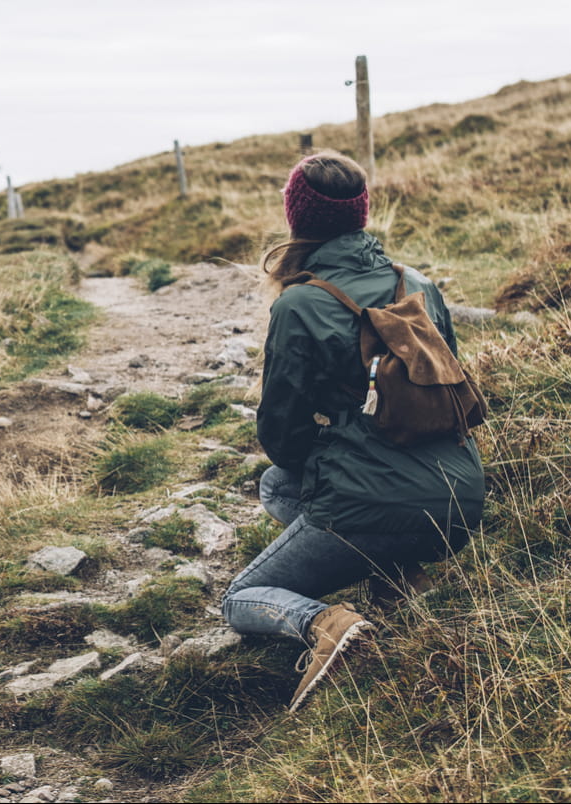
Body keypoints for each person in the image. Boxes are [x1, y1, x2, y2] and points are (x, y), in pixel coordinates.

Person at [221, 151, 485, 712]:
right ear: (361, 214)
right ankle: (397, 576)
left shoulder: (300, 303)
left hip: (369, 502)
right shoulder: (417, 284)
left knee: (240, 596)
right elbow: (451, 394)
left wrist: (335, 437)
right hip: (460, 498)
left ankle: (330, 625)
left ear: (298, 218)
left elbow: (283, 439)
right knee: (278, 487)